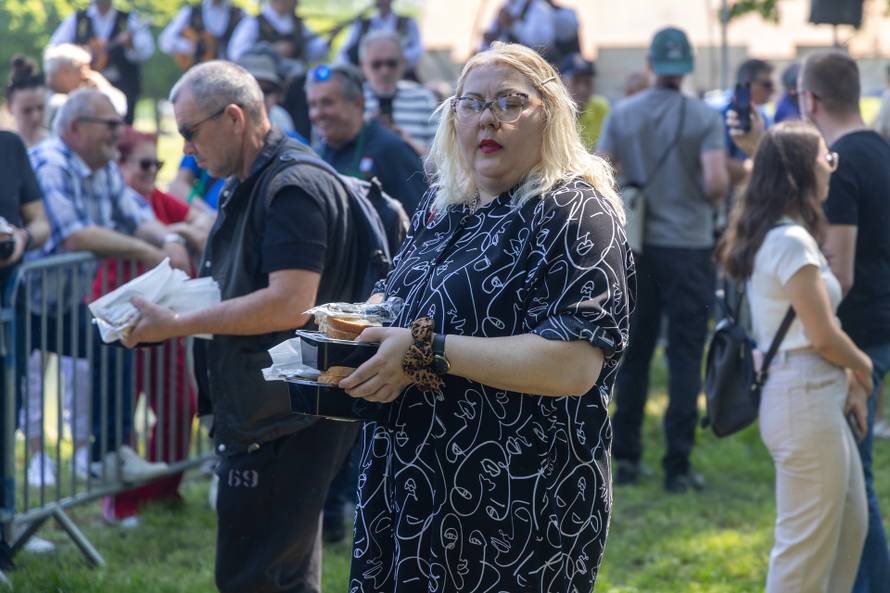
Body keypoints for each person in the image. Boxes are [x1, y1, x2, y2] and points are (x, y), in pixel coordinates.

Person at [339, 41, 634, 592]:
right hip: (409, 491)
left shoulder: (574, 210)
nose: (487, 119)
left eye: (509, 102)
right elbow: (403, 301)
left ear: (549, 115)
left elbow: (572, 364)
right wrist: (358, 328)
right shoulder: (443, 204)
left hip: (514, 506)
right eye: (471, 104)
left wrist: (424, 352)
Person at [121, 60, 360, 593]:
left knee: (253, 578)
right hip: (276, 413)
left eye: (189, 132)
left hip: (286, 420)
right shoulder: (254, 180)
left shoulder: (292, 187)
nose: (184, 148)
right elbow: (260, 271)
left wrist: (178, 323)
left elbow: (289, 303)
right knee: (284, 576)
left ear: (233, 117)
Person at [716, 120, 870, 593]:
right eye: (827, 156)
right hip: (802, 395)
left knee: (848, 531)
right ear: (804, 170)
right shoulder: (789, 242)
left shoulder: (789, 235)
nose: (832, 166)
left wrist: (848, 382)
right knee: (802, 556)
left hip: (815, 391)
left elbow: (816, 331)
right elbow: (822, 334)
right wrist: (862, 369)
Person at [28, 89, 188, 483]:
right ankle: (11, 514)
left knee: (117, 336)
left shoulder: (101, 169)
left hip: (59, 304)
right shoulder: (51, 162)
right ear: (77, 127)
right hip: (20, 304)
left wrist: (168, 241)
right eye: (111, 123)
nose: (119, 130)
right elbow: (74, 236)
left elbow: (136, 214)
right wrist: (148, 251)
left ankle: (109, 454)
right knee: (12, 401)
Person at [598, 27, 729, 492]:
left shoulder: (623, 113)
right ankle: (677, 463)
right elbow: (715, 183)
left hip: (637, 246)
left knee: (632, 353)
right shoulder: (705, 117)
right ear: (687, 67)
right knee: (685, 354)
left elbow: (603, 175)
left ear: (652, 65)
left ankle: (627, 457)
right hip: (690, 246)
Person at [798, 51, 890, 593]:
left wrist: (813, 326)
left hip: (855, 337)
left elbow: (841, 272)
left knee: (857, 486)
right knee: (855, 483)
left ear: (810, 100)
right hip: (877, 327)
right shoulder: (879, 148)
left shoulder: (844, 159)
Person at [100, 126, 211, 524]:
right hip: (127, 319)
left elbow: (208, 222)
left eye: (157, 164)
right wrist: (177, 235)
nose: (152, 171)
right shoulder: (118, 203)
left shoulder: (160, 201)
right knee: (122, 412)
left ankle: (163, 490)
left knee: (181, 404)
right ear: (121, 165)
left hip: (169, 318)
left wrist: (180, 231)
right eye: (144, 164)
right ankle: (119, 503)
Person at [0, 129, 50, 583]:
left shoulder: (9, 146)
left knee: (5, 418)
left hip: (7, 315)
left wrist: (21, 238)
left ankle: (5, 529)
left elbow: (41, 223)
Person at [306, 63, 427, 215]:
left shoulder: (391, 150)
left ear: (358, 103)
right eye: (312, 105)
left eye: (327, 103)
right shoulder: (315, 156)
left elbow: (421, 219)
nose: (317, 113)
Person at [48, 0, 154, 125]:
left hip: (122, 84)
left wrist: (131, 45)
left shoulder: (128, 19)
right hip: (83, 88)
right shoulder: (78, 19)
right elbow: (55, 48)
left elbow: (145, 51)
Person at [360, 31, 440, 154]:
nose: (384, 71)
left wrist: (407, 144)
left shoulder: (423, 98)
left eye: (391, 63)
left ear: (403, 63)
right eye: (376, 64)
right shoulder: (352, 99)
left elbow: (441, 161)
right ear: (363, 65)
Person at [43, 43, 128, 123]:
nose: (87, 74)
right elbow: (115, 112)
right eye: (82, 69)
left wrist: (104, 89)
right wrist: (104, 90)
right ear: (66, 72)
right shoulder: (55, 102)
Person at [337, 0, 423, 77]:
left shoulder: (407, 22)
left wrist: (395, 62)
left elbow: (417, 50)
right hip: (366, 78)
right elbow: (345, 52)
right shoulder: (362, 24)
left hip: (402, 77)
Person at [227, 0, 328, 64]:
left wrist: (329, 39)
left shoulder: (299, 25)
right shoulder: (253, 22)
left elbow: (314, 53)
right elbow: (237, 54)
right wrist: (271, 50)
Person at [724, 58, 775, 185]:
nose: (773, 90)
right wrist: (753, 168)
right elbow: (718, 161)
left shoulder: (764, 115)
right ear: (749, 84)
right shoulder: (722, 113)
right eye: (767, 85)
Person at [159, 0, 246, 69]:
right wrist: (193, 46)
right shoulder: (191, 11)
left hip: (230, 74)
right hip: (197, 74)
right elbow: (166, 41)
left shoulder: (239, 14)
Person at [559, 53, 609, 150]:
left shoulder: (601, 108)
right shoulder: (550, 113)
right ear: (562, 83)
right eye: (576, 82)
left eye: (588, 82)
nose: (583, 89)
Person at [481, 0, 556, 59]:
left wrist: (513, 24)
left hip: (527, 62)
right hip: (501, 57)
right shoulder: (508, 6)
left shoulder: (540, 9)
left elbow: (542, 43)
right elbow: (493, 32)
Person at [5, 55, 48, 149]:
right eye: (27, 111)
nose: (36, 116)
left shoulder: (58, 145)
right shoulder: (6, 149)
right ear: (9, 108)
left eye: (40, 108)